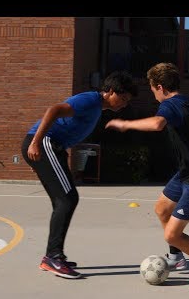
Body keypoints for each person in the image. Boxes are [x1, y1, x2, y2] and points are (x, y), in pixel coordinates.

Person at [106, 62, 189, 287]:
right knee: (161, 209)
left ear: (160, 87)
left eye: (152, 90)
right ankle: (176, 257)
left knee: (172, 235)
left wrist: (125, 124)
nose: (154, 95)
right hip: (186, 172)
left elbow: (158, 124)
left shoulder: (170, 105)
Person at [22, 71, 138, 278]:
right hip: (46, 142)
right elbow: (54, 110)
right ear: (110, 91)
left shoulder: (97, 108)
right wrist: (36, 143)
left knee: (62, 201)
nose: (124, 104)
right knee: (67, 199)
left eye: (127, 101)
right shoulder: (90, 100)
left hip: (53, 147)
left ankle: (53, 255)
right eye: (123, 98)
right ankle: (53, 257)